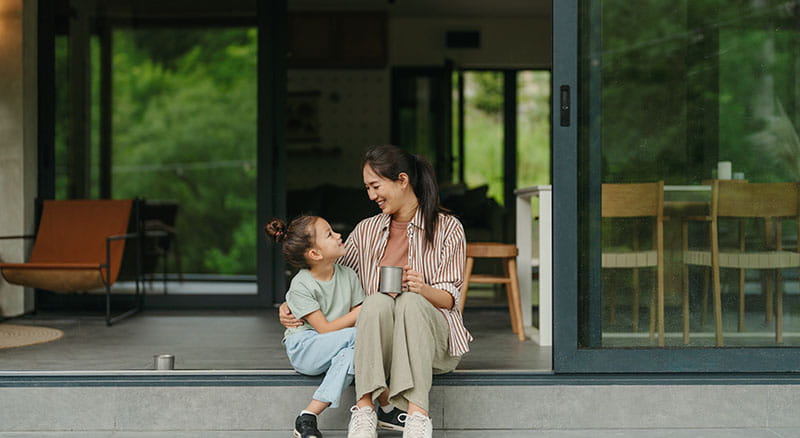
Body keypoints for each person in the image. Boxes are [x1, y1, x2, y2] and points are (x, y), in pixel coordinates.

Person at [280, 145, 472, 438]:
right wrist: (291, 303)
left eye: (375, 186)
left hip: (432, 346)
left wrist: (423, 288)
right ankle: (365, 411)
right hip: (379, 348)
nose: (371, 196)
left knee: (410, 301)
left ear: (403, 180)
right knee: (375, 303)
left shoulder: (448, 228)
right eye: (367, 188)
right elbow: (326, 272)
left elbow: (450, 299)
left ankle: (418, 415)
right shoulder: (366, 231)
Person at [265, 215, 365, 438]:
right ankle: (387, 404)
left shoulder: (349, 276)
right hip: (305, 348)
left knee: (351, 356)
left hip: (339, 346)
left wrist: (361, 313)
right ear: (315, 254)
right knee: (360, 336)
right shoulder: (302, 284)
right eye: (329, 234)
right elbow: (326, 329)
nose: (339, 235)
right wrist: (360, 312)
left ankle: (307, 416)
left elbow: (360, 317)